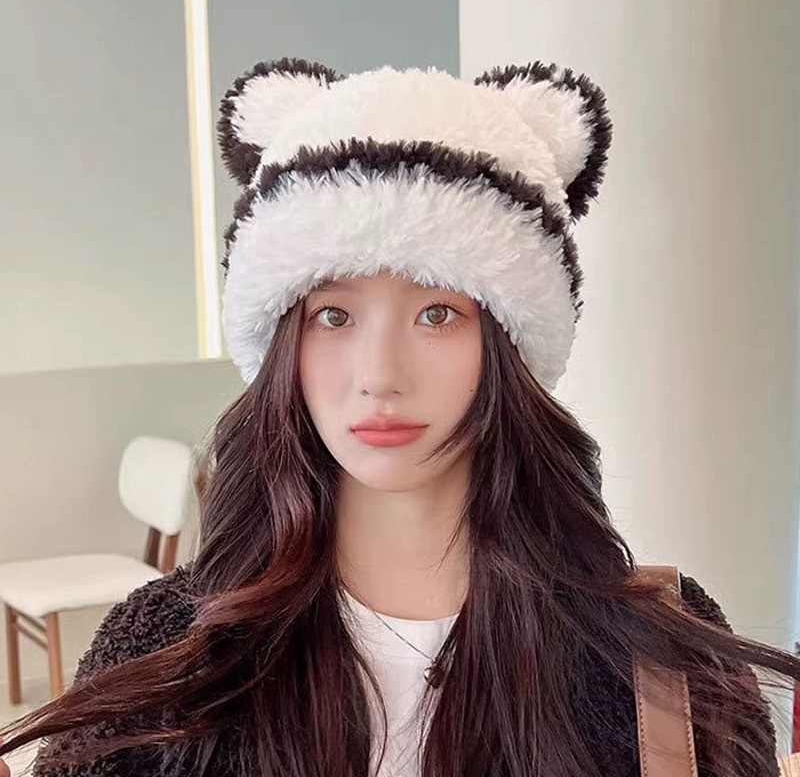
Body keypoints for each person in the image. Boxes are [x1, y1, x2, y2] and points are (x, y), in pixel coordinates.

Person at [0, 56, 797, 777]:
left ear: (509, 344)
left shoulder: (659, 660)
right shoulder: (163, 654)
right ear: (282, 345)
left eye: (437, 314)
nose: (379, 376)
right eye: (334, 316)